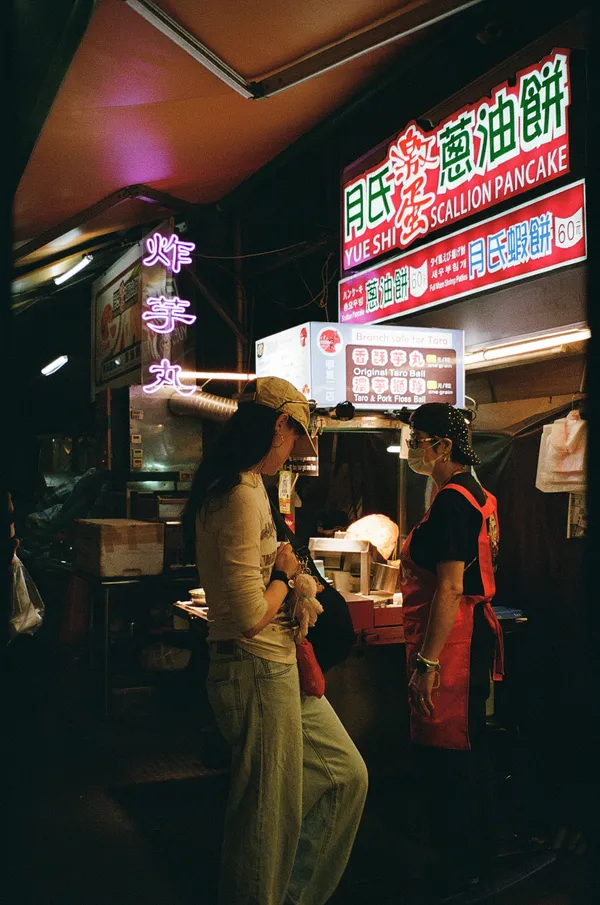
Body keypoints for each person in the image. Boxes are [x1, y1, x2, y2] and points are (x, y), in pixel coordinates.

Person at [184, 376, 368, 905]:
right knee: (265, 818)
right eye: (293, 439)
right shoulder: (239, 495)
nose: (292, 453)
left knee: (344, 776)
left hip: (276, 666)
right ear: (280, 425)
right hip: (255, 668)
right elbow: (246, 616)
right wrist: (286, 578)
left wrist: (285, 578)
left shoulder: (242, 485)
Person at [399, 403, 504, 902]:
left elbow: (448, 588)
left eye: (417, 439)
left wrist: (428, 663)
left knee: (449, 758)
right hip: (465, 636)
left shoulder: (452, 502)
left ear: (442, 447)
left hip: (455, 642)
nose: (411, 447)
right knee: (467, 754)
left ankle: (458, 869)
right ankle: (474, 859)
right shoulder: (476, 494)